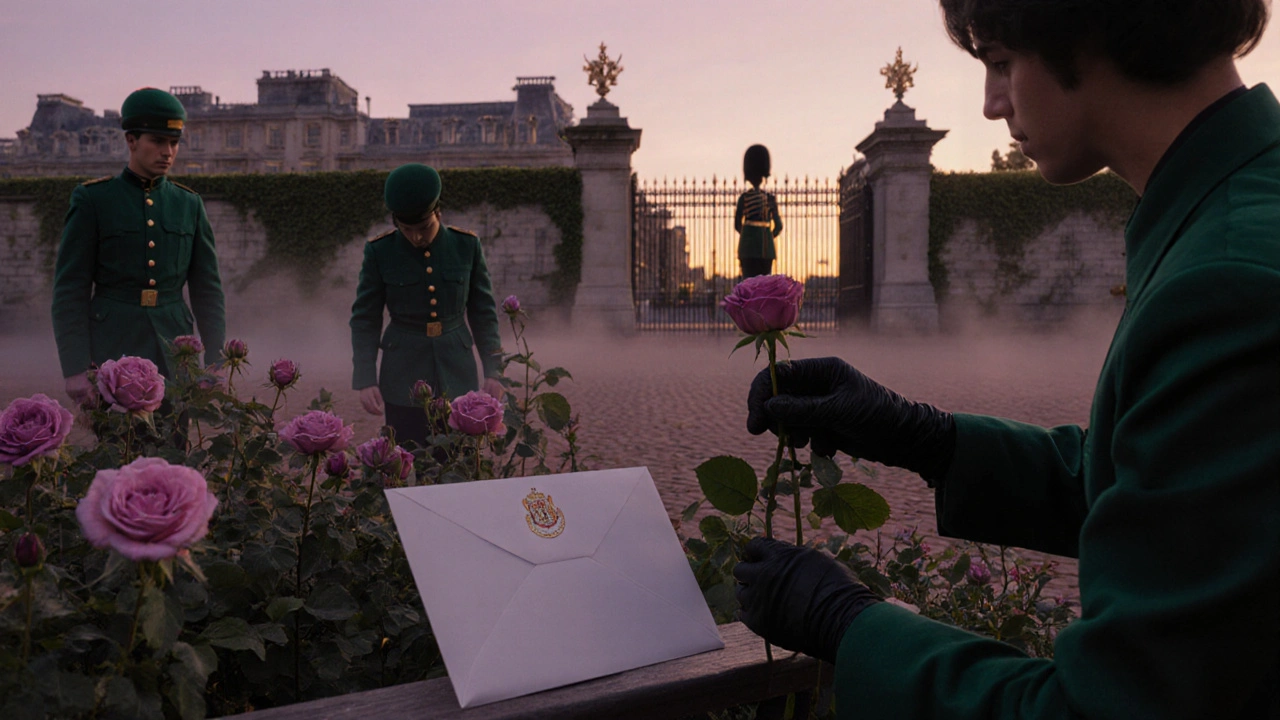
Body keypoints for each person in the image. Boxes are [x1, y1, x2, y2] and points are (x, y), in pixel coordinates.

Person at [734, 1, 1279, 717]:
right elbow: (1156, 490)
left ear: (1084, 27)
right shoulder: (1228, 212)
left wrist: (852, 625)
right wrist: (924, 436)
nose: (992, 104)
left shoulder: (1228, 282)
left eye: (999, 62)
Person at [52, 87, 226, 405]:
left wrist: (216, 358)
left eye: (173, 143)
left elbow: (208, 290)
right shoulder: (93, 200)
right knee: (117, 450)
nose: (168, 152)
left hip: (175, 351)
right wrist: (75, 367)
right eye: (158, 141)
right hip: (111, 350)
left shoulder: (189, 204)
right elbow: (70, 288)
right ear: (131, 141)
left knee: (175, 449)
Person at [350, 163, 504, 447]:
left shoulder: (466, 246)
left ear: (438, 213)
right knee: (405, 461)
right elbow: (365, 319)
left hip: (457, 373)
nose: (416, 237)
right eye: (406, 229)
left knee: (461, 463)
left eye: (423, 228)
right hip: (402, 375)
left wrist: (495, 370)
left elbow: (484, 313)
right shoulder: (380, 251)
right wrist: (365, 377)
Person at [734, 144, 783, 279]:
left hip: (746, 248)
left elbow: (737, 225)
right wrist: (767, 235)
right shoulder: (770, 199)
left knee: (748, 287)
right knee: (763, 288)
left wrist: (747, 234)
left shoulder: (743, 198)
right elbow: (778, 226)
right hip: (766, 250)